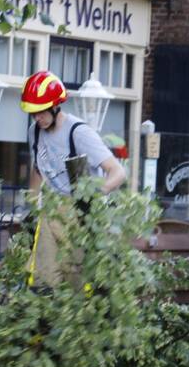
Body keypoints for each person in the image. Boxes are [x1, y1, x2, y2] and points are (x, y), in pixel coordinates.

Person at [20, 70, 126, 289]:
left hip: (81, 215)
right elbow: (38, 168)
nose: (37, 118)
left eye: (40, 112)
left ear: (55, 106)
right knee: (43, 281)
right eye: (33, 114)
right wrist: (30, 208)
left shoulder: (79, 133)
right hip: (52, 211)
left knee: (79, 281)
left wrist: (96, 195)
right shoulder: (35, 132)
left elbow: (117, 172)